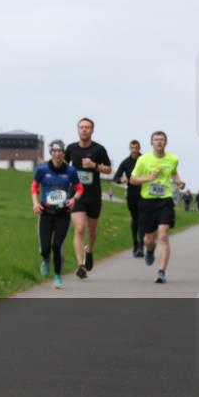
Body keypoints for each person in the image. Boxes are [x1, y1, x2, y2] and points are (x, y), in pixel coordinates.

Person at [130, 131, 185, 284]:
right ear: (152, 143)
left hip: (165, 201)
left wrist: (179, 182)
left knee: (163, 235)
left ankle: (161, 272)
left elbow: (173, 172)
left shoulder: (173, 159)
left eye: (162, 139)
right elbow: (133, 179)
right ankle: (150, 249)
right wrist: (149, 178)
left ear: (165, 142)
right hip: (147, 202)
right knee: (148, 239)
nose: (159, 142)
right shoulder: (143, 159)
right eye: (156, 139)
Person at [31, 140, 84, 290]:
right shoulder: (42, 170)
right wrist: (35, 203)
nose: (58, 153)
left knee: (57, 246)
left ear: (63, 153)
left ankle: (57, 276)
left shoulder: (70, 171)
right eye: (55, 151)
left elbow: (80, 188)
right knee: (45, 247)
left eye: (60, 151)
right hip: (46, 213)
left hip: (63, 214)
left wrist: (74, 199)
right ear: (51, 153)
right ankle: (46, 259)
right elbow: (34, 186)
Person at [64, 118, 112, 278]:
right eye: (81, 127)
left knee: (91, 230)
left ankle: (89, 251)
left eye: (87, 127)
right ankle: (81, 265)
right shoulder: (71, 148)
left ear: (92, 130)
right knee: (79, 228)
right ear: (78, 130)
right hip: (76, 195)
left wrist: (94, 166)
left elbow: (109, 170)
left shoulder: (99, 149)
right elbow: (62, 165)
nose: (84, 130)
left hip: (93, 195)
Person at [113, 140, 144, 257]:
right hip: (132, 195)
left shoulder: (145, 160)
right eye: (132, 148)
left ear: (139, 148)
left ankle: (141, 246)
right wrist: (121, 180)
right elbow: (116, 177)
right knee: (135, 220)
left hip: (145, 195)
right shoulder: (126, 162)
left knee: (143, 220)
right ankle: (136, 245)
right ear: (130, 149)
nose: (134, 150)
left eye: (136, 148)